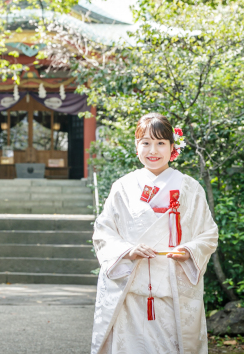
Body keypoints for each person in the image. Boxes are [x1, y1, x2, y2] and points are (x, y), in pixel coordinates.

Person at [91, 113, 219, 354]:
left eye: (161, 143)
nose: (153, 150)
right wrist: (127, 250)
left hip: (172, 292)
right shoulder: (123, 187)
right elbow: (103, 232)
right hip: (131, 293)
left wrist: (189, 250)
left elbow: (209, 234)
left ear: (172, 147)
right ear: (136, 146)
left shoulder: (190, 187)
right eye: (146, 142)